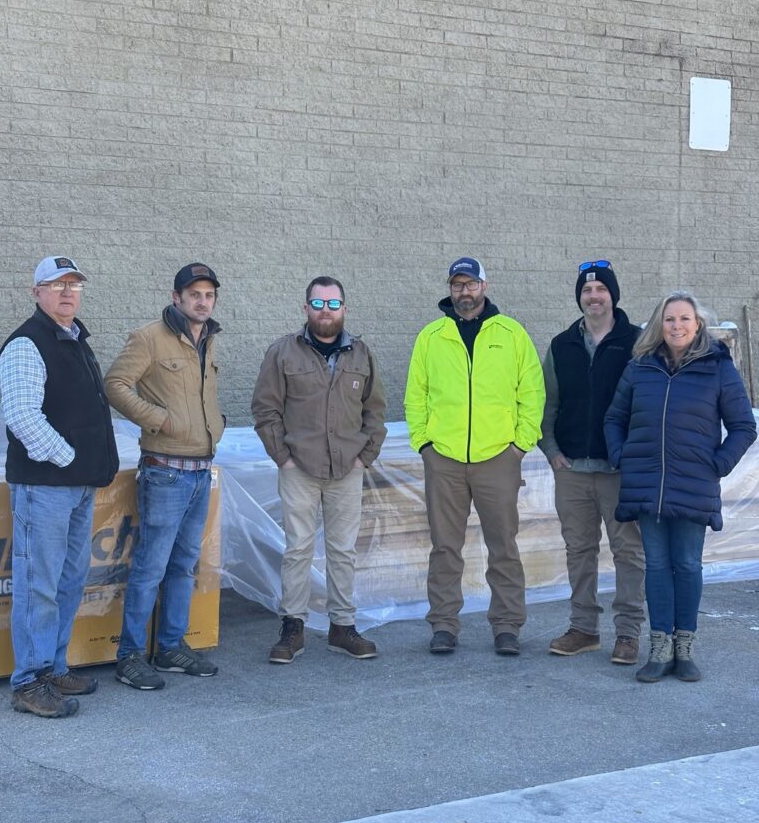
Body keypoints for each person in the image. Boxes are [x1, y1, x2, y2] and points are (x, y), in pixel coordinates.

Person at [605, 290, 756, 683]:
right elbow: (614, 419)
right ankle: (660, 647)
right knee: (655, 565)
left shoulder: (718, 367)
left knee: (687, 564)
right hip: (646, 486)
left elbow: (743, 426)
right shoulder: (640, 366)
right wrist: (623, 456)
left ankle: (685, 648)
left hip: (693, 485)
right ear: (659, 324)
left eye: (684, 319)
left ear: (698, 324)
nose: (676, 326)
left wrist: (718, 465)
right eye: (669, 319)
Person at [0, 256, 119, 717]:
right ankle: (29, 681)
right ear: (36, 293)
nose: (68, 292)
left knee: (69, 580)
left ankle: (52, 666)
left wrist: (86, 468)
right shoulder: (27, 344)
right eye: (56, 284)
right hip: (46, 485)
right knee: (40, 583)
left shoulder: (75, 341)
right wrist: (73, 460)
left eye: (74, 284)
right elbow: (24, 418)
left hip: (77, 485)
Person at [404, 257, 545, 655]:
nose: (464, 292)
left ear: (485, 285)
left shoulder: (511, 333)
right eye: (457, 285)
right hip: (444, 458)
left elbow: (531, 394)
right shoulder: (431, 336)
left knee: (503, 545)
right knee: (445, 546)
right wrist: (424, 445)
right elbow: (416, 395)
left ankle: (507, 626)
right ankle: (444, 625)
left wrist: (519, 445)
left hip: (498, 456)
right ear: (450, 288)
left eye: (471, 284)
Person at [252, 276, 386, 663]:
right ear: (305, 308)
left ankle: (342, 627)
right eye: (318, 304)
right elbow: (266, 409)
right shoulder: (282, 353)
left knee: (343, 550)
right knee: (298, 549)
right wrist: (283, 457)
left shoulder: (361, 354)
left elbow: (375, 410)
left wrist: (366, 456)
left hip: (347, 467)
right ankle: (292, 627)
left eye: (332, 304)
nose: (325, 312)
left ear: (344, 309)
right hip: (299, 467)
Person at [104, 263, 224, 690]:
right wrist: (159, 420)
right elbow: (115, 384)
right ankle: (130, 656)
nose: (202, 300)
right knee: (150, 567)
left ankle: (170, 646)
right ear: (176, 297)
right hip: (165, 473)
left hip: (199, 471)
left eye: (208, 294)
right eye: (194, 293)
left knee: (183, 566)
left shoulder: (209, 338)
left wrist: (218, 424)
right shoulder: (149, 337)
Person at [539, 260, 646, 664]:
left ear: (613, 295)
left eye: (601, 289)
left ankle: (628, 633)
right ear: (579, 298)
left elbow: (646, 405)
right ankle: (583, 628)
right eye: (587, 290)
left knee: (629, 553)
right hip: (572, 471)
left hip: (619, 471)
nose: (594, 296)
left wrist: (633, 457)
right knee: (578, 550)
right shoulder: (561, 345)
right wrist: (550, 451)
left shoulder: (636, 343)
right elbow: (547, 402)